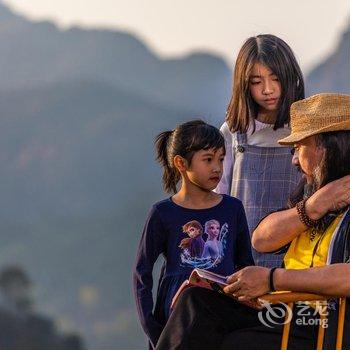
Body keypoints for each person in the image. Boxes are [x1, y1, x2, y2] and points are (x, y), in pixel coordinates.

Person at [155, 93, 350, 350]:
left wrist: (271, 280)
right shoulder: (314, 197)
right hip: (285, 313)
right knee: (196, 300)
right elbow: (261, 239)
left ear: (326, 147)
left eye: (299, 148)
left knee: (236, 342)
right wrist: (314, 207)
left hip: (322, 325)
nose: (293, 159)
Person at [133, 120, 254, 349]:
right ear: (181, 163)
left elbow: (245, 264)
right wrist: (153, 329)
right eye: (208, 159)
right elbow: (142, 274)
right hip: (175, 321)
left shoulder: (233, 209)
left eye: (221, 158)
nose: (217, 167)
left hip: (224, 319)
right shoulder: (163, 213)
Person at [216, 34, 304, 267]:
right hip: (241, 258)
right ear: (243, 85)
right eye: (256, 82)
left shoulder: (304, 132)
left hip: (294, 259)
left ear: (290, 76)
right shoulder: (233, 132)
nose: (267, 89)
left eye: (275, 79)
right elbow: (219, 196)